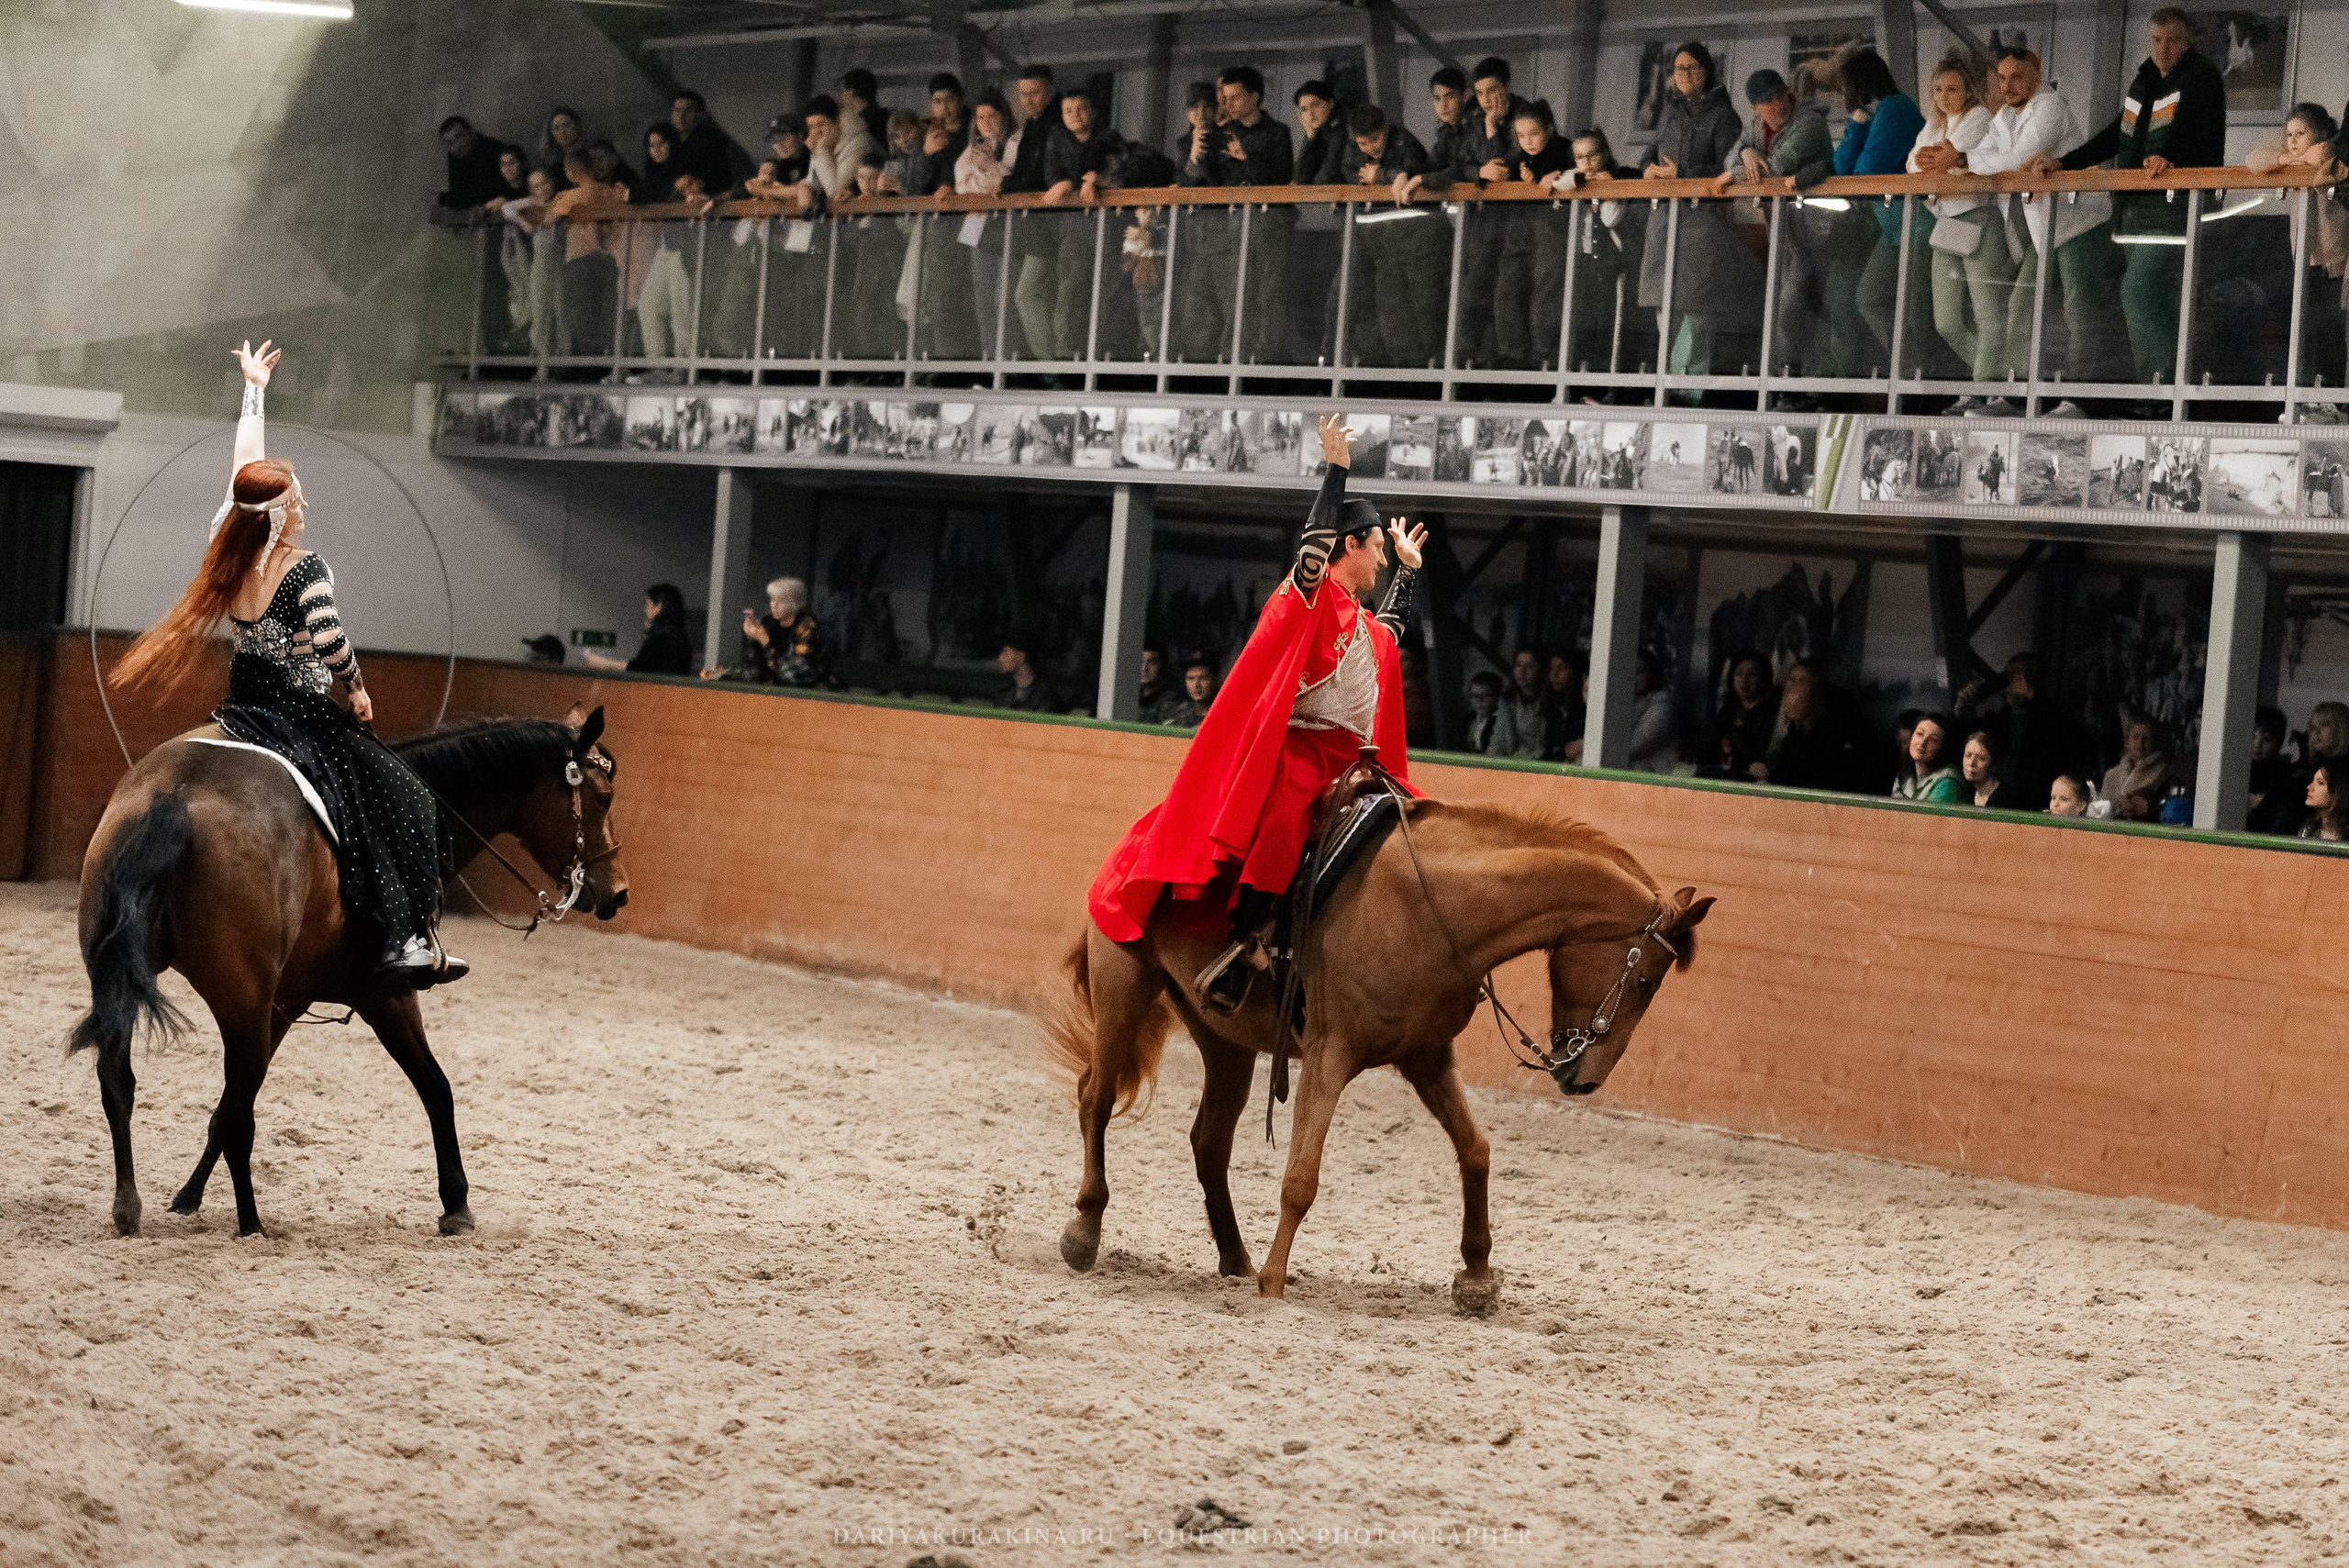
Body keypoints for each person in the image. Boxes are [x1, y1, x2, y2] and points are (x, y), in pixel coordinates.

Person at [113, 340, 460, 987]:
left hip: (243, 704)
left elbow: (246, 468)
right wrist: (356, 688)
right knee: (403, 794)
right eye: (295, 494)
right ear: (282, 514)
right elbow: (330, 641)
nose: (302, 499)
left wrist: (254, 390)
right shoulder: (304, 568)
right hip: (299, 711)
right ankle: (406, 936)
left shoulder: (230, 541)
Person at [1087, 415, 1423, 1013]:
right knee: (1284, 814)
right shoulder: (1311, 600)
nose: (1379, 560)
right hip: (1304, 752)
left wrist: (1407, 573)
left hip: (1356, 761)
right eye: (1375, 549)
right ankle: (1246, 946)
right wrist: (1337, 473)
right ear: (1350, 544)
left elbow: (1390, 636)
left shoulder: (1367, 627)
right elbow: (1313, 551)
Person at [2045, 7, 2227, 398]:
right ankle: (2162, 390)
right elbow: (2118, 134)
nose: (2163, 49)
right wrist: (2064, 162)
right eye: (2156, 40)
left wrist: (2173, 159)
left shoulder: (2202, 77)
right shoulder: (2144, 80)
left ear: (2188, 40)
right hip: (2133, 207)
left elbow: (2198, 131)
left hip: (2176, 204)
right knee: (2153, 296)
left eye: (2172, 40)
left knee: (2139, 292)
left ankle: (2162, 393)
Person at [1944, 49, 2111, 413]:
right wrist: (1964, 161)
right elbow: (1983, 159)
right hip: (2043, 230)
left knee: (2078, 309)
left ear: (2036, 73)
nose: (2007, 86)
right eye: (2002, 79)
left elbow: (2015, 161)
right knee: (2021, 306)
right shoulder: (2002, 117)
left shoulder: (2050, 106)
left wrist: (1960, 160)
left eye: (2016, 77)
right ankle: (2013, 396)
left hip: (2079, 222)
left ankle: (2080, 399)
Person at [1640, 42, 1751, 386]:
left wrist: (1681, 175)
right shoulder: (1671, 115)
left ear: (1707, 71)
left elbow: (1727, 170)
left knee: (1698, 314)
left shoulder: (1724, 116)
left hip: (1703, 227)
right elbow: (1648, 156)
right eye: (1678, 69)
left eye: (1691, 68)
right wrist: (1648, 170)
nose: (1683, 75)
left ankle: (1691, 392)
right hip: (1665, 223)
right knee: (1664, 311)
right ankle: (1665, 387)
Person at [1174, 66, 1294, 367]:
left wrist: (1246, 158)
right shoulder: (1223, 133)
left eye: (1235, 97)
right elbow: (1209, 181)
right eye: (1224, 98)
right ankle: (1231, 358)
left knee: (1269, 293)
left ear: (1255, 96)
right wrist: (1196, 157)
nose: (1228, 104)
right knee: (1238, 296)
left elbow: (1281, 178)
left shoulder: (1277, 133)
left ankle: (1265, 360)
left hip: (1267, 224)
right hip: (1229, 227)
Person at [2249, 104, 2349, 416]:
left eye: (2300, 134)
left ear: (2319, 134)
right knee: (2308, 329)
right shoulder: (2290, 158)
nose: (2292, 140)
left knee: (2332, 330)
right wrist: (2285, 158)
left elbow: (2323, 159)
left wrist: (2310, 157)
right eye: (2288, 134)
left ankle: (2333, 397)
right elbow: (2254, 160)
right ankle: (2310, 395)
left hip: (2335, 260)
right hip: (2305, 261)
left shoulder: (2333, 154)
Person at [1907, 54, 1999, 389]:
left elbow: (1949, 156)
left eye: (1951, 88)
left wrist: (1939, 162)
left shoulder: (1979, 116)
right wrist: (1936, 163)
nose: (1944, 96)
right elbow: (1912, 165)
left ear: (1968, 91)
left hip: (1980, 218)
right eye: (1937, 89)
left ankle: (1984, 389)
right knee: (1946, 321)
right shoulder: (1934, 123)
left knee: (1987, 315)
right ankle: (1995, 379)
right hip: (1946, 223)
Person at [1831, 49, 1924, 372]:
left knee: (1915, 311)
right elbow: (1841, 168)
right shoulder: (1874, 115)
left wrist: (1861, 136)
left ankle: (1919, 375)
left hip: (1915, 228)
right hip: (1891, 231)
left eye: (1846, 87)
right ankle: (1907, 368)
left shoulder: (1896, 108)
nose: (1844, 94)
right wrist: (1857, 124)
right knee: (1869, 298)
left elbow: (1866, 172)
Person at [1341, 105, 1446, 369]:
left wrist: (1384, 176)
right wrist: (1389, 177)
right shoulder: (1354, 148)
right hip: (1380, 243)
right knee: (1391, 309)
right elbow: (1349, 173)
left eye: (1375, 140)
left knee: (1423, 306)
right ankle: (1402, 367)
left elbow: (1414, 174)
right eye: (1363, 143)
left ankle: (1430, 366)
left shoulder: (1405, 143)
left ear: (1385, 129)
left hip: (1416, 239)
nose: (1369, 149)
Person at [1041, 90, 1131, 360]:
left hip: (1109, 226)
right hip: (1074, 227)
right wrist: (1071, 183)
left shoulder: (1109, 138)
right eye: (1069, 110)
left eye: (1081, 108)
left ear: (1092, 111)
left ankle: (1105, 354)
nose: (1076, 115)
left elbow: (1127, 171)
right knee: (1072, 290)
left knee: (1107, 290)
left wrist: (1099, 179)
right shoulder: (1057, 138)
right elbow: (1051, 178)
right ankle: (1069, 354)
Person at [1497, 100, 1576, 371]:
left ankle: (1545, 358)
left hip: (1553, 231)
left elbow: (1588, 171)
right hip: (1518, 230)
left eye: (1534, 134)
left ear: (1550, 129)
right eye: (1521, 136)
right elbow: (1494, 171)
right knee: (1507, 292)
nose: (1527, 142)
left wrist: (1559, 177)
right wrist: (1484, 173)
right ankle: (1513, 357)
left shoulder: (1567, 150)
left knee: (1546, 295)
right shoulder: (1518, 156)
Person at [1567, 128, 1648, 379]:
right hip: (1585, 269)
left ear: (1604, 154)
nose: (1586, 163)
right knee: (1584, 329)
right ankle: (1583, 382)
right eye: (1579, 157)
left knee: (1612, 331)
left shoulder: (1619, 178)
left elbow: (1612, 219)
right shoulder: (1575, 181)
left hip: (1615, 271)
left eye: (1592, 155)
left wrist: (1607, 191)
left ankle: (1611, 386)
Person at [1954, 651, 2067, 813]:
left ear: (2023, 680)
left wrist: (2028, 695)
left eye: (2010, 677)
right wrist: (1965, 709)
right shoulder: (2006, 717)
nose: (2005, 685)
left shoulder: (2051, 719)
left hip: (2033, 802)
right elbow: (1976, 738)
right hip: (2004, 798)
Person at [1003, 65, 1063, 362]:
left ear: (1050, 92)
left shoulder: (1056, 125)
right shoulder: (1031, 126)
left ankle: (1050, 365)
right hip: (1037, 226)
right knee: (1040, 296)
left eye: (1035, 93)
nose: (1028, 100)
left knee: (1026, 294)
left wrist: (1007, 183)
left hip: (1052, 225)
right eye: (1023, 94)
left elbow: (1040, 175)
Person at [1756, 660, 1867, 792]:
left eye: (1801, 682)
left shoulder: (1838, 739)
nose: (1791, 689)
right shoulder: (1792, 733)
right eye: (1791, 680)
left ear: (1817, 693)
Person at [731, 577, 825, 687]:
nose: (773, 605)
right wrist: (753, 640)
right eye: (772, 600)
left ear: (795, 604)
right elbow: (757, 674)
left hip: (807, 695)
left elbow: (794, 675)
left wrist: (765, 641)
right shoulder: (768, 623)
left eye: (780, 601)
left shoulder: (808, 627)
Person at [584, 584, 693, 674]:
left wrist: (601, 662)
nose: (645, 610)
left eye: (647, 604)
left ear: (658, 607)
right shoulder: (681, 638)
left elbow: (640, 667)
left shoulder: (660, 638)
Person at [433, 117, 517, 221]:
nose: (457, 145)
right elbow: (460, 194)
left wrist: (445, 199)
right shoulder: (456, 157)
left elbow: (486, 193)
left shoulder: (492, 149)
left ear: (471, 132)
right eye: (450, 142)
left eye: (459, 136)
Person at [1711, 648, 1776, 780]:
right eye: (1739, 674)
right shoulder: (1729, 708)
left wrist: (1740, 733)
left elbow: (1761, 759)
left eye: (1752, 674)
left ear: (1763, 678)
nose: (1744, 680)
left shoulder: (1772, 714)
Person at [669, 89, 741, 202]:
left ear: (700, 114)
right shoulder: (669, 143)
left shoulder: (715, 141)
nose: (682, 116)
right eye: (677, 110)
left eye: (688, 111)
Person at [2100, 717, 2176, 821]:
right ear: (2127, 742)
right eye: (2135, 737)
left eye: (2146, 738)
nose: (2140, 742)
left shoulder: (2163, 773)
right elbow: (2101, 811)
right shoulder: (2112, 774)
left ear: (2154, 742)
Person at [1491, 647, 1549, 760]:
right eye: (1518, 665)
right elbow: (1498, 740)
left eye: (1530, 667)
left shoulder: (1548, 703)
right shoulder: (1508, 701)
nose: (1522, 672)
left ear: (1541, 670)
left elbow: (1541, 747)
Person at [1892, 713, 1965, 803]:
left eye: (1933, 740)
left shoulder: (1948, 783)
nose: (1922, 743)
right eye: (1919, 734)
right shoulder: (1904, 777)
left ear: (1943, 748)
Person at [1627, 651, 1680, 773]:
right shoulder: (1625, 704)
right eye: (1630, 671)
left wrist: (1584, 745)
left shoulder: (1663, 709)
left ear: (1652, 673)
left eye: (1640, 672)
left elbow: (1632, 746)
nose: (1634, 677)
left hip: (1656, 781)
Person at [2247, 705, 2295, 833]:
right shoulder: (2237, 767)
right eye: (2253, 736)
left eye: (2267, 739)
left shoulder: (2281, 774)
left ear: (2278, 743)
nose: (2258, 745)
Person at [1293, 80, 1347, 185]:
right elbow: (1299, 179)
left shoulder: (1342, 130)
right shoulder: (1314, 134)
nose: (1310, 114)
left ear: (1330, 104)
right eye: (1304, 109)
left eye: (1316, 105)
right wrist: (1310, 138)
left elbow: (1327, 178)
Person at [1540, 650, 1586, 764]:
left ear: (1574, 671)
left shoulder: (1584, 707)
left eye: (1561, 668)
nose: (1554, 674)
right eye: (1552, 668)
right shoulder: (1549, 704)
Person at [995, 638, 1063, 713]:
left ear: (1021, 657)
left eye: (1006, 653)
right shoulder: (1004, 694)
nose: (1000, 659)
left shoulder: (1045, 697)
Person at [1160, 655, 1219, 728]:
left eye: (1203, 678)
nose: (1196, 685)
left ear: (1215, 680)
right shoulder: (1176, 715)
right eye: (1191, 678)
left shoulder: (1224, 715)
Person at [2301, 759, 2349, 842]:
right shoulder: (2309, 829)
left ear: (2338, 791)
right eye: (2313, 780)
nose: (2309, 787)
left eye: (2320, 783)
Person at [839, 69, 887, 150]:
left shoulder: (860, 124)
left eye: (842, 91)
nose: (841, 96)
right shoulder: (883, 116)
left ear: (850, 92)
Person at [1960, 730, 2003, 808]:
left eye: (1981, 758)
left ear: (1993, 764)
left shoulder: (2003, 799)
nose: (1972, 763)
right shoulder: (1968, 796)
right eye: (1968, 756)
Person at [1465, 670, 1503, 753]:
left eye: (1485, 696)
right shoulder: (1468, 719)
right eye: (1475, 696)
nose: (1480, 701)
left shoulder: (1501, 722)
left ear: (1496, 697)